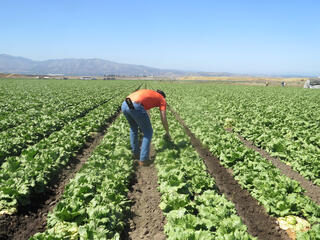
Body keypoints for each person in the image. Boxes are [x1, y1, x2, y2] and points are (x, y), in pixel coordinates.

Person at [121, 89, 171, 166]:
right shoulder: (162, 99)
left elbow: (143, 113)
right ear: (163, 96)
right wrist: (167, 132)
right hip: (135, 105)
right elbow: (163, 118)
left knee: (133, 128)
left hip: (126, 103)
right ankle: (144, 159)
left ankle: (135, 153)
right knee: (148, 132)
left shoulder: (150, 94)